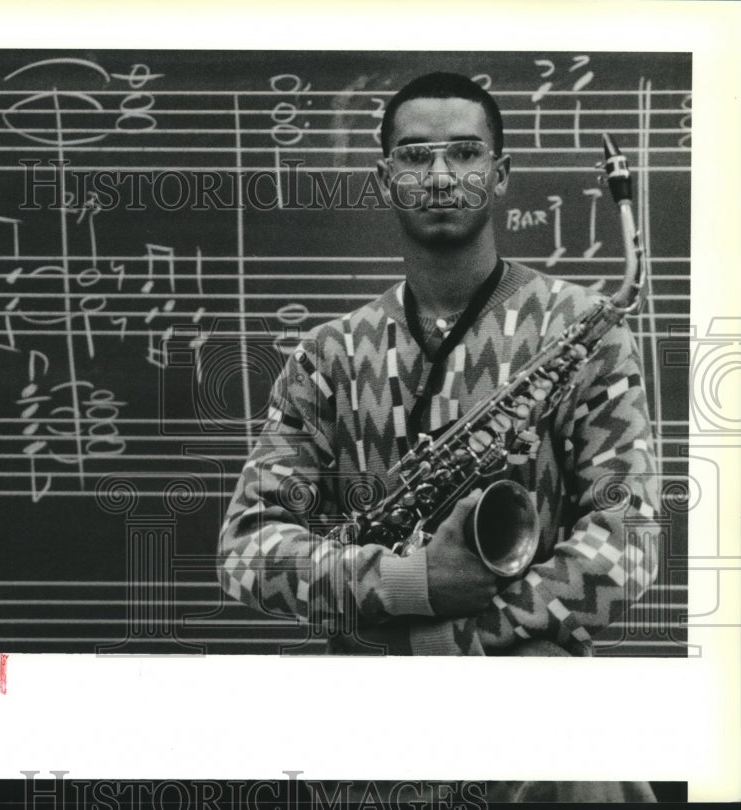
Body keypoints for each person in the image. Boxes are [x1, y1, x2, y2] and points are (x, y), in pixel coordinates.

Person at [217, 72, 660, 656]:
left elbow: (627, 542)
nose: (442, 176)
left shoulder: (584, 330)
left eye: (466, 152)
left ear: (500, 176)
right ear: (385, 179)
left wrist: (450, 637)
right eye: (416, 156)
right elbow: (246, 553)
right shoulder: (327, 354)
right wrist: (411, 583)